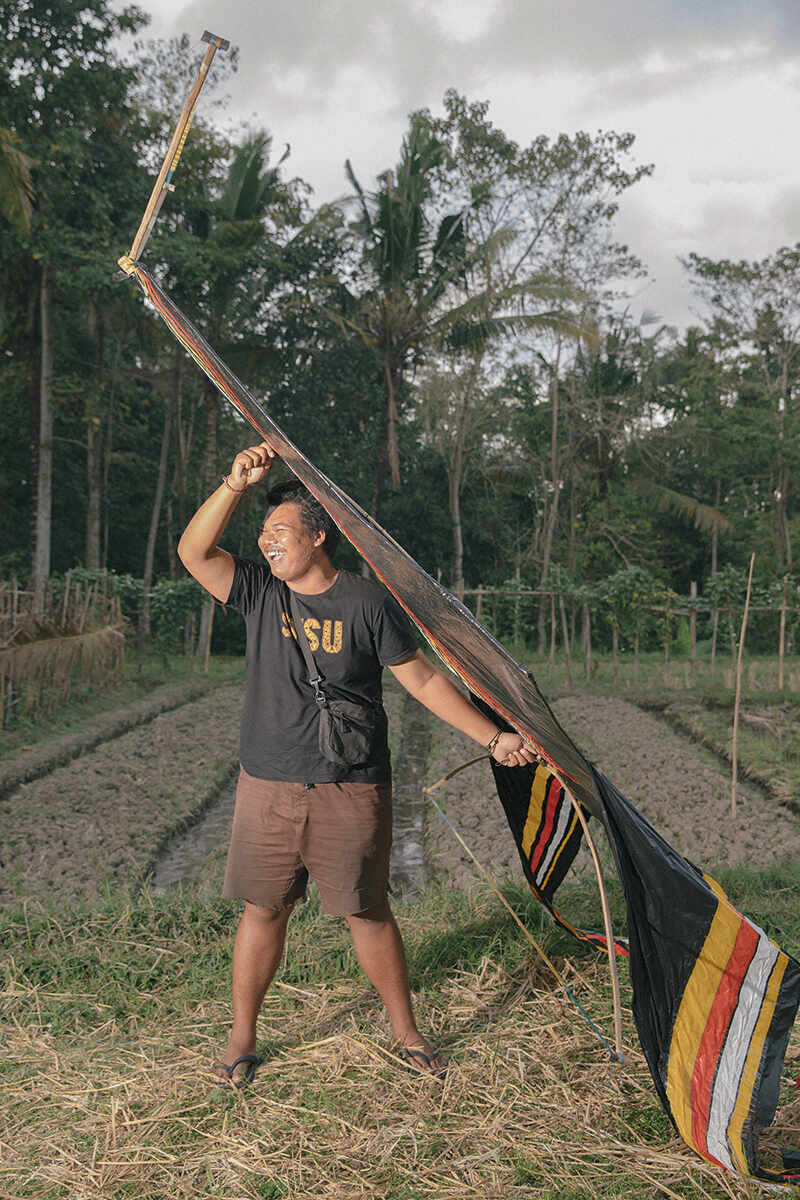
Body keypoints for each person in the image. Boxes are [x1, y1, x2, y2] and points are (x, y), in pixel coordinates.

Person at [178, 440, 536, 1083]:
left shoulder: (367, 604)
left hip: (352, 784)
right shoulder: (259, 592)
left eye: (280, 531)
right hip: (268, 782)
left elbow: (422, 681)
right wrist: (234, 483)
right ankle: (240, 1040)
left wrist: (491, 738)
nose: (267, 543)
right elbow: (193, 554)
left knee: (366, 911)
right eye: (263, 533)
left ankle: (407, 1032)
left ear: (318, 537)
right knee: (264, 910)